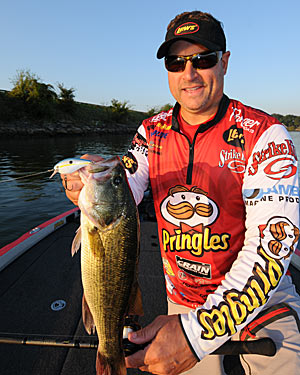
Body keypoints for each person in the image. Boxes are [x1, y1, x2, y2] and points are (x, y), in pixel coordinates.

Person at [62, 10, 300, 375]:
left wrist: (196, 334)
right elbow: (126, 183)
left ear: (224, 62)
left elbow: (270, 251)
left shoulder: (266, 136)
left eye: (202, 59)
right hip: (183, 301)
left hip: (264, 300)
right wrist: (85, 182)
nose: (188, 73)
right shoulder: (150, 132)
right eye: (176, 62)